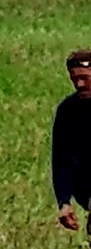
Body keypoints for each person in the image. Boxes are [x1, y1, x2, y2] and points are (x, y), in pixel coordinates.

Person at [58, 50, 91, 228]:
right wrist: (64, 201)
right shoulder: (68, 111)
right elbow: (61, 158)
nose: (79, 84)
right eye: (74, 79)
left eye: (84, 78)